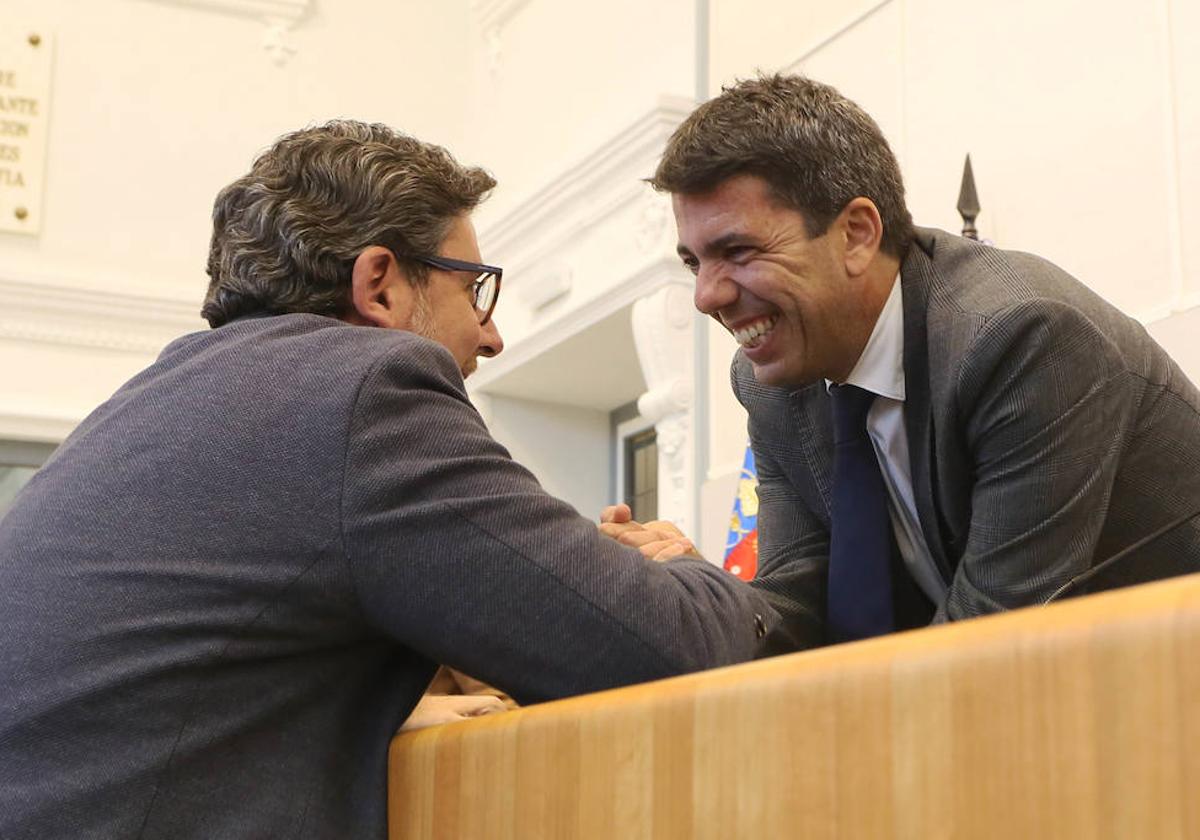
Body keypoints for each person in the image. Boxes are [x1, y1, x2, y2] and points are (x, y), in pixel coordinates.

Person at [0, 120, 778, 839]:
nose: (492, 333)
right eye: (474, 287)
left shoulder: (158, 401)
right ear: (379, 284)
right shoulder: (361, 387)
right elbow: (674, 649)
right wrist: (669, 563)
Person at [607, 74, 1200, 652]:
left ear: (857, 235)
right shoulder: (770, 387)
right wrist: (695, 588)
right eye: (694, 263)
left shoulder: (1020, 339)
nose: (706, 296)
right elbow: (801, 602)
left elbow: (988, 642)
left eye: (737, 251)